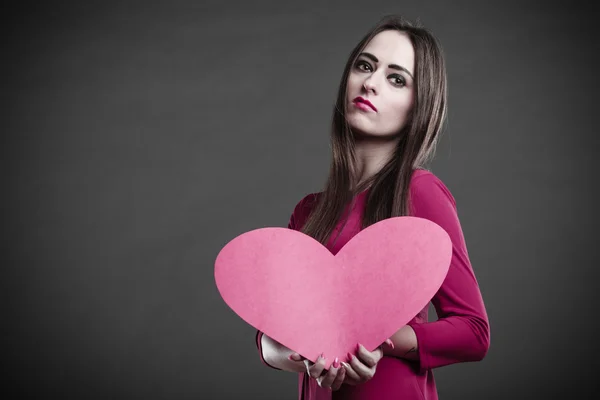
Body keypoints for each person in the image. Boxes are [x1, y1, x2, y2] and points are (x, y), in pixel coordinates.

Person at [255, 14, 490, 400]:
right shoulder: (308, 212)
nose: (370, 82)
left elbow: (474, 331)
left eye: (396, 79)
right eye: (365, 66)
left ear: (418, 106)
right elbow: (269, 340)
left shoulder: (422, 192)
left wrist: (383, 341)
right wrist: (301, 354)